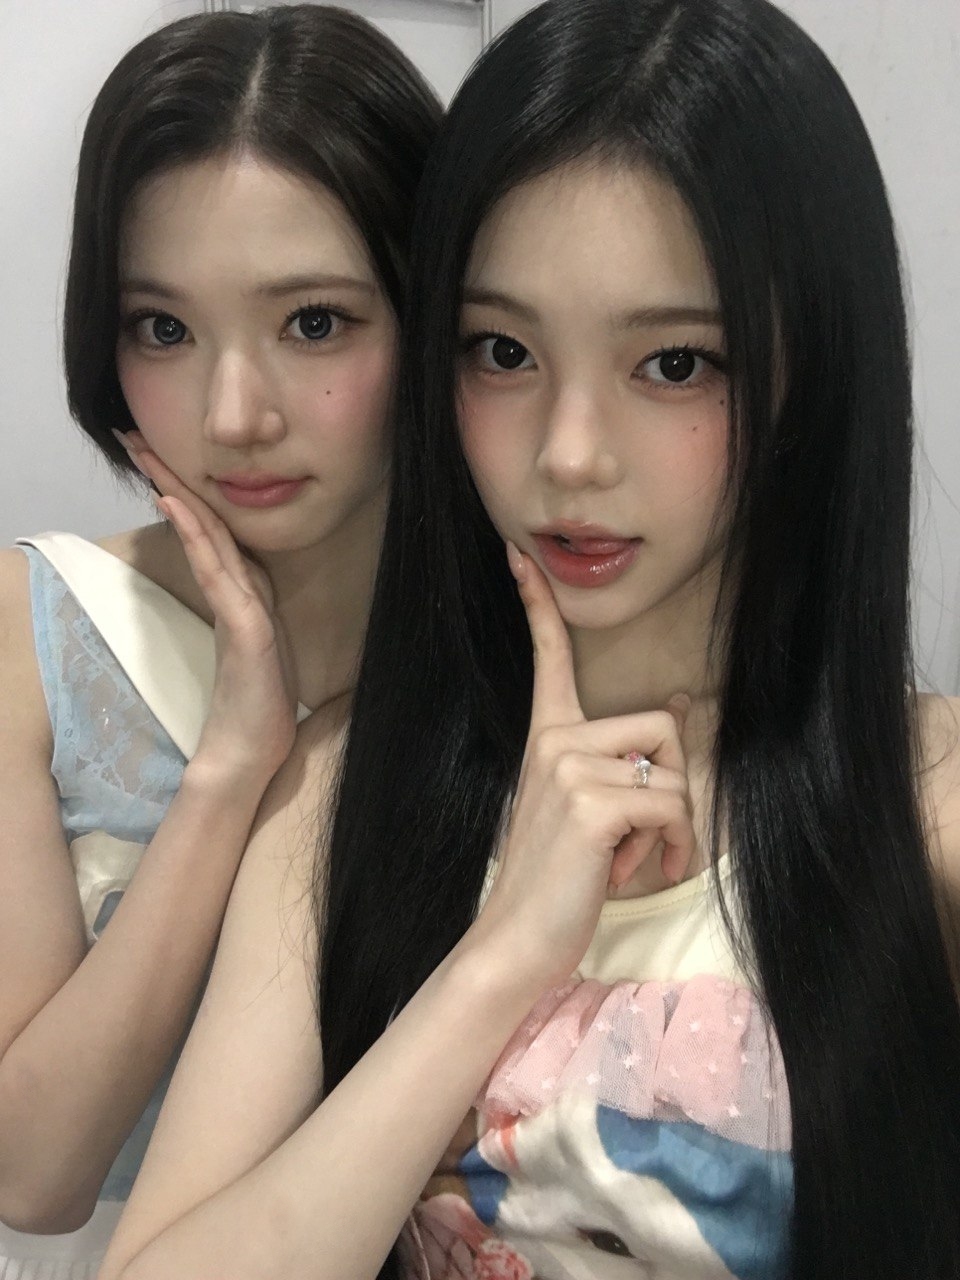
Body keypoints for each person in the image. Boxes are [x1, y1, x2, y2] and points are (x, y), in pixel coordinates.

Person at [96, 1, 960, 1278]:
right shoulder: (345, 788)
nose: (568, 452)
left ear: (812, 373)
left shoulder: (924, 810)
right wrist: (501, 958)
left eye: (676, 363)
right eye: (503, 350)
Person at [0, 6, 440, 1276]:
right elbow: (32, 1171)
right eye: (164, 328)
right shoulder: (36, 627)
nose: (234, 415)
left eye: (314, 322)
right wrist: (232, 766)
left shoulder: (519, 656)